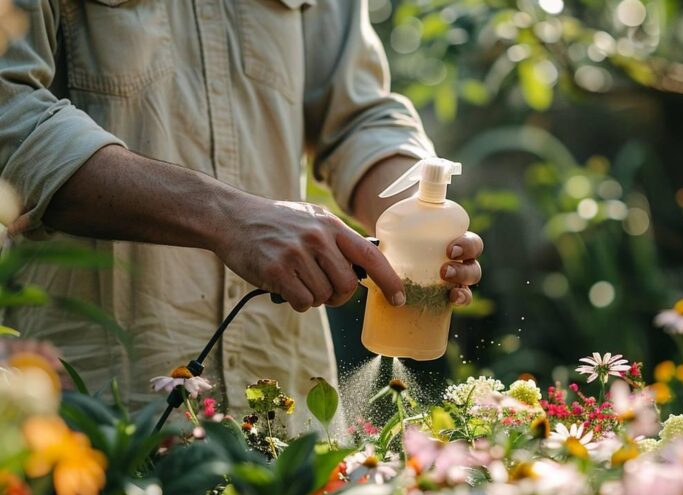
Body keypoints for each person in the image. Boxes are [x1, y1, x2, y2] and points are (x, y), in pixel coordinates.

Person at [0, 1, 482, 430]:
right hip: (96, 402)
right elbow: (13, 121)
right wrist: (229, 219)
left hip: (284, 393)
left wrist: (419, 222)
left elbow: (358, 115)